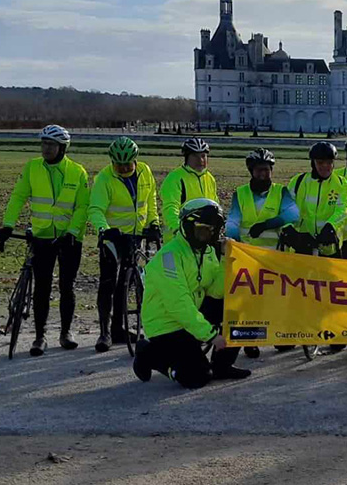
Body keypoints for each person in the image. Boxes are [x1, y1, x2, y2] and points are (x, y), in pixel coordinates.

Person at [133, 198, 250, 388]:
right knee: (197, 377)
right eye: (203, 228)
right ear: (188, 226)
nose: (207, 234)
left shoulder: (208, 252)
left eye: (212, 229)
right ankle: (149, 354)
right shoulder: (168, 258)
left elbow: (216, 293)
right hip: (168, 326)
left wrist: (225, 261)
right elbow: (179, 305)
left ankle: (222, 365)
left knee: (235, 305)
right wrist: (211, 335)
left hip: (192, 318)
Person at [0, 125, 89, 356]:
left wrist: (71, 232)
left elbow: (82, 207)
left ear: (63, 148)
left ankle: (66, 332)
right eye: (44, 143)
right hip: (41, 236)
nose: (46, 148)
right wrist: (8, 224)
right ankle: (40, 336)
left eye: (51, 144)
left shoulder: (77, 172)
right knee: (42, 287)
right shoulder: (32, 168)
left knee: (67, 287)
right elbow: (18, 197)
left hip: (68, 238)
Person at [88, 136, 161, 353]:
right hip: (112, 237)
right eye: (118, 164)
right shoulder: (104, 178)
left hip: (135, 236)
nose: (123, 167)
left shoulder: (145, 171)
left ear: (135, 159)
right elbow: (95, 209)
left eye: (128, 163)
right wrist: (104, 229)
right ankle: (105, 332)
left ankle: (119, 329)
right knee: (108, 282)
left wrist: (154, 223)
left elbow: (150, 200)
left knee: (125, 284)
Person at [226, 148, 300, 357]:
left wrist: (269, 223)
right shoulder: (239, 194)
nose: (263, 175)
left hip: (275, 256)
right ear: (251, 171)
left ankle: (280, 337)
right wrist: (233, 241)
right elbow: (233, 220)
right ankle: (250, 340)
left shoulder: (281, 191)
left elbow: (293, 214)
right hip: (247, 255)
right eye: (259, 171)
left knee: (277, 299)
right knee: (247, 301)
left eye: (267, 170)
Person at [285, 141, 347, 257]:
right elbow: (286, 207)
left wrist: (331, 226)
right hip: (301, 243)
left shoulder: (341, 183)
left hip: (329, 245)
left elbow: (344, 209)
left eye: (329, 162)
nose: (325, 166)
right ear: (313, 163)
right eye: (320, 163)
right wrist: (288, 227)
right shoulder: (298, 181)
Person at [160, 138, 216, 242]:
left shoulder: (210, 178)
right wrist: (179, 229)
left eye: (203, 156)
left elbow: (215, 206)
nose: (201, 160)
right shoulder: (175, 178)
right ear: (186, 158)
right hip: (179, 239)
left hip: (202, 237)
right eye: (195, 156)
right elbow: (170, 207)